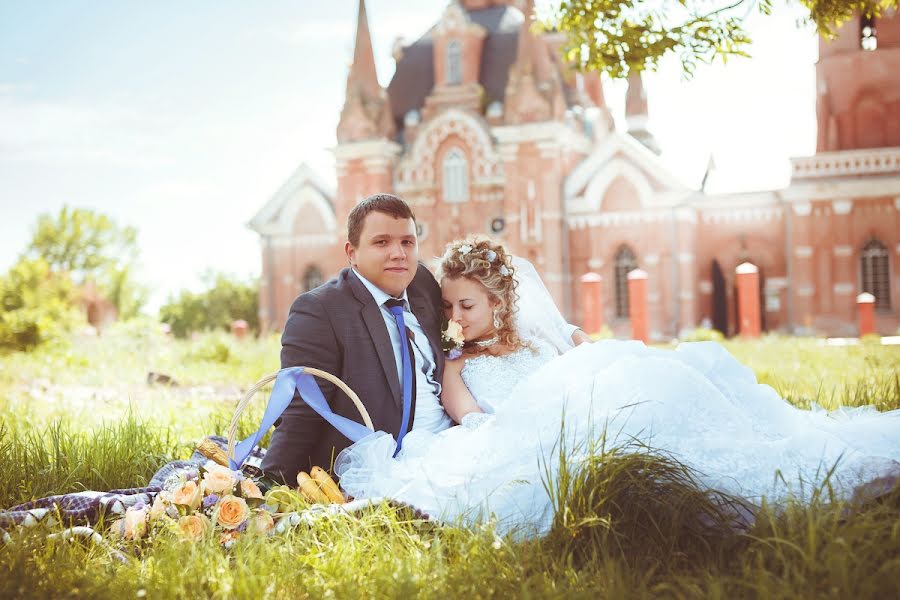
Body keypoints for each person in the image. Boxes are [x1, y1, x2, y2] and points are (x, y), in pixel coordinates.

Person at [335, 236, 900, 537]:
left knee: (658, 378)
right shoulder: (459, 365)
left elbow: (598, 363)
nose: (456, 317)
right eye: (452, 306)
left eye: (468, 304)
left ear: (501, 301)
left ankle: (773, 463)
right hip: (542, 429)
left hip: (593, 403)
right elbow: (474, 422)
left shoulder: (548, 343)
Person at [260, 193, 591, 484]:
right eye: (381, 242)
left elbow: (484, 305)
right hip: (391, 458)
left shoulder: (422, 284)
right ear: (352, 252)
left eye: (407, 241)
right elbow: (302, 409)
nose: (398, 254)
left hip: (456, 441)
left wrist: (569, 334)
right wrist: (267, 486)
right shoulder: (320, 311)